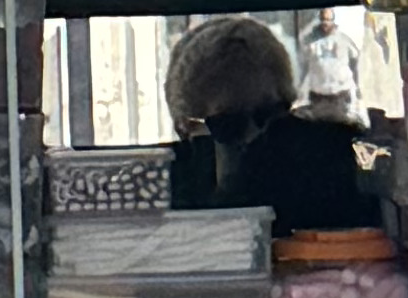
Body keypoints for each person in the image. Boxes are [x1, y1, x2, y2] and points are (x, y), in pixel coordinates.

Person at [164, 13, 388, 234]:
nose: (254, 135)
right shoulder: (163, 192)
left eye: (269, 115)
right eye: (229, 125)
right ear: (185, 129)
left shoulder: (339, 163)